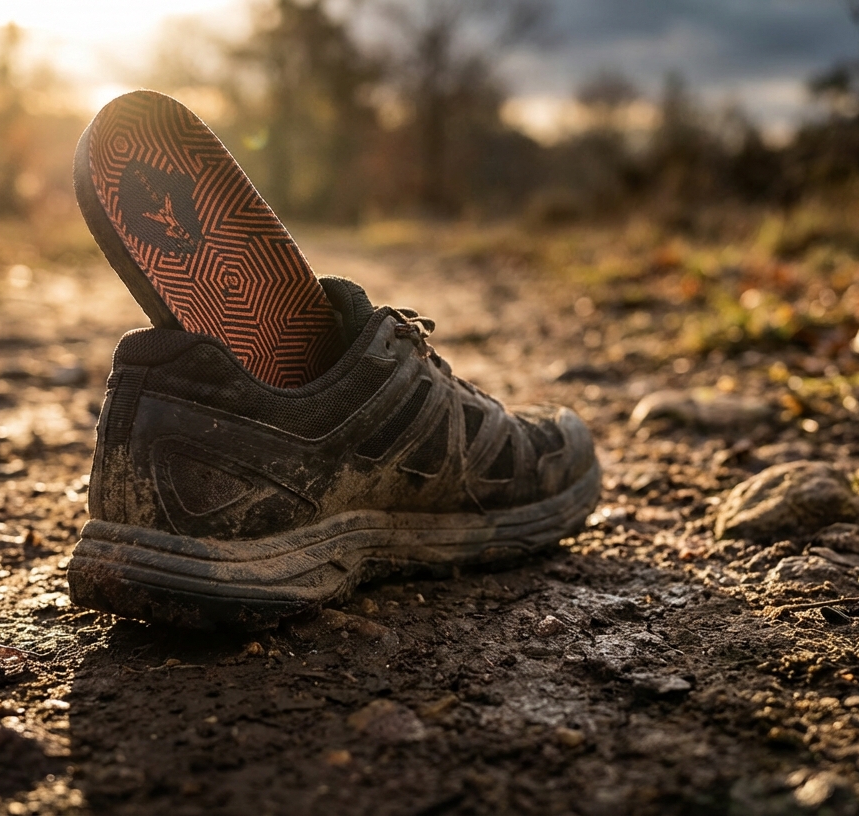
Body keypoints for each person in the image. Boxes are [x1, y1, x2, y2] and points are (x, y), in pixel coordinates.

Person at [67, 90, 599, 629]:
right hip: (331, 439)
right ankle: (382, 400)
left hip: (143, 457)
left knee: (333, 331)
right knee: (363, 363)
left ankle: (152, 509)